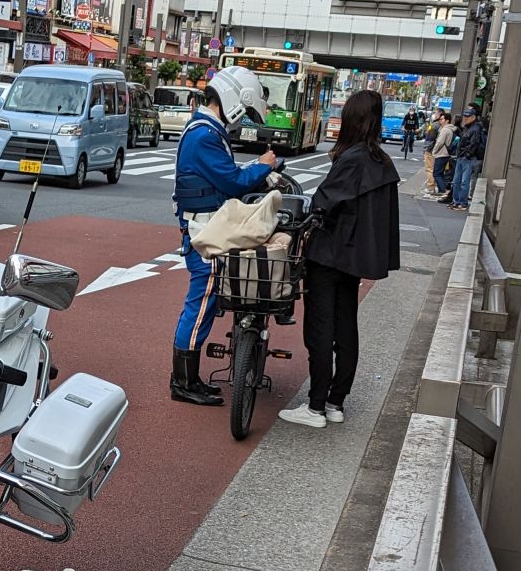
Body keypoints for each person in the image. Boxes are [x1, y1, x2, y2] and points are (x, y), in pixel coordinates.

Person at [279, 89, 400, 430]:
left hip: (330, 253)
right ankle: (335, 402)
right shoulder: (382, 161)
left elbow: (323, 201)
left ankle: (315, 406)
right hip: (357, 258)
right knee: (346, 327)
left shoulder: (352, 158)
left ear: (352, 119)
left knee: (320, 327)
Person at [170, 65, 277, 406]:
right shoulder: (205, 135)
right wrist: (264, 165)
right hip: (205, 231)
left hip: (204, 225)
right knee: (201, 302)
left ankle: (188, 378)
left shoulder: (204, 130)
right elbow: (232, 181)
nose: (241, 120)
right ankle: (183, 381)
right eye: (244, 112)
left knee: (204, 300)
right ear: (233, 100)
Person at [450, 106, 486, 212]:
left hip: (468, 158)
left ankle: (462, 202)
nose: (465, 118)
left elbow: (473, 143)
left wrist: (466, 154)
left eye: (467, 116)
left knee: (463, 181)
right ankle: (457, 201)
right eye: (464, 116)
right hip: (463, 157)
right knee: (457, 181)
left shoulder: (475, 128)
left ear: (473, 117)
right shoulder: (468, 127)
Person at [429, 109, 456, 200]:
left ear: (447, 120)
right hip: (446, 154)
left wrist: (434, 151)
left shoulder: (445, 130)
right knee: (440, 173)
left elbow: (439, 142)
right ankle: (443, 189)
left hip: (441, 153)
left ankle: (442, 190)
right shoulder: (450, 129)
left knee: (436, 173)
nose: (440, 120)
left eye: (442, 119)